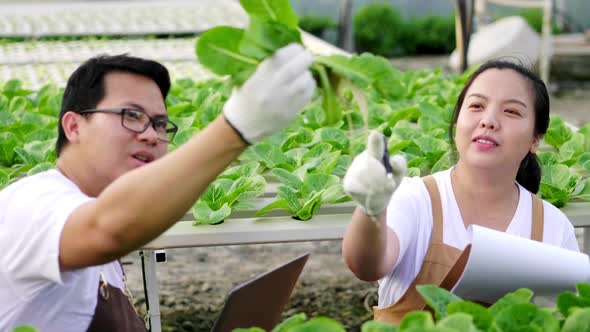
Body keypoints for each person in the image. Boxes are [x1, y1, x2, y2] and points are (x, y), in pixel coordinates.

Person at [0, 44, 315, 332]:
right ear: (74, 126)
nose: (151, 135)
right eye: (131, 115)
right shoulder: (30, 202)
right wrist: (234, 129)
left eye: (160, 123)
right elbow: (106, 230)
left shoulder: (93, 207)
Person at [341, 59, 579, 323]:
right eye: (477, 106)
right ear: (457, 122)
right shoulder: (416, 198)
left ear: (536, 139)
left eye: (511, 111)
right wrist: (371, 210)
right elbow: (367, 266)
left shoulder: (553, 227)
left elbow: (564, 319)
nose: (488, 120)